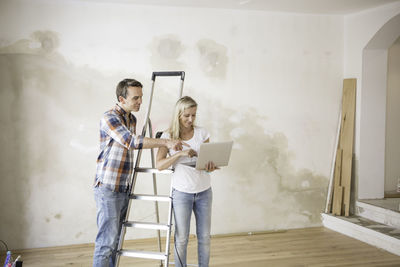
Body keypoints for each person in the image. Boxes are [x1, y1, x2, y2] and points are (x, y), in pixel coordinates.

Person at [93, 78, 186, 267]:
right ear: (122, 98)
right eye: (136, 98)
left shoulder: (132, 119)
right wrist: (165, 142)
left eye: (141, 97)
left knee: (115, 241)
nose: (140, 102)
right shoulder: (110, 117)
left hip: (123, 187)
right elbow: (131, 141)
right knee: (106, 242)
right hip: (108, 187)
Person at [156, 96, 218, 267]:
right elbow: (159, 165)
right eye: (186, 116)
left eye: (194, 115)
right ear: (178, 115)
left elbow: (206, 164)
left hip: (204, 192)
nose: (190, 120)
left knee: (204, 237)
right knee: (182, 238)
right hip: (182, 193)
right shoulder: (167, 136)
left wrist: (210, 166)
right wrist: (180, 154)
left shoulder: (202, 133)